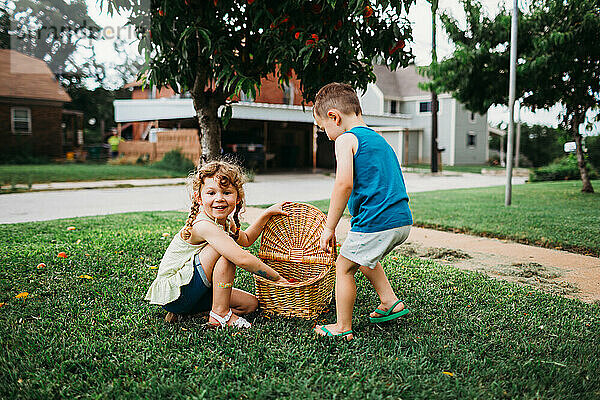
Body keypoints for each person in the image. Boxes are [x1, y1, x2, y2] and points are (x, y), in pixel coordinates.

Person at [313, 83, 413, 341]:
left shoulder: (346, 139)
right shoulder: (378, 138)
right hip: (400, 220)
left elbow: (343, 184)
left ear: (334, 117)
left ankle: (342, 327)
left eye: (323, 128)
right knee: (364, 255)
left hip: (377, 221)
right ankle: (389, 301)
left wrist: (329, 227)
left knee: (344, 267)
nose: (326, 135)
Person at [145, 160, 289, 328]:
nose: (219, 198)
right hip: (176, 294)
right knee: (225, 250)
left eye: (227, 192)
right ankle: (220, 315)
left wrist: (266, 214)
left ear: (238, 197)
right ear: (199, 198)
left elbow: (247, 239)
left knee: (250, 304)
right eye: (211, 193)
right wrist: (278, 278)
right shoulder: (203, 225)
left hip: (195, 293)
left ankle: (200, 310)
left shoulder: (225, 222)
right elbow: (241, 258)